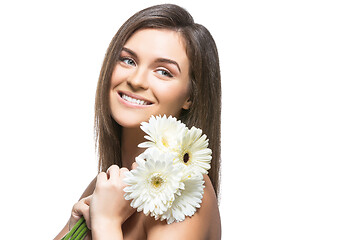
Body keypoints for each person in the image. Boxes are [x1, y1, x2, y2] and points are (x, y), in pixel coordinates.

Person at [55, 3, 221, 239]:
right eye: (128, 60)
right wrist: (75, 231)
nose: (136, 80)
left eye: (163, 71)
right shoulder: (107, 185)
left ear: (190, 97)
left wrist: (107, 223)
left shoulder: (185, 194)